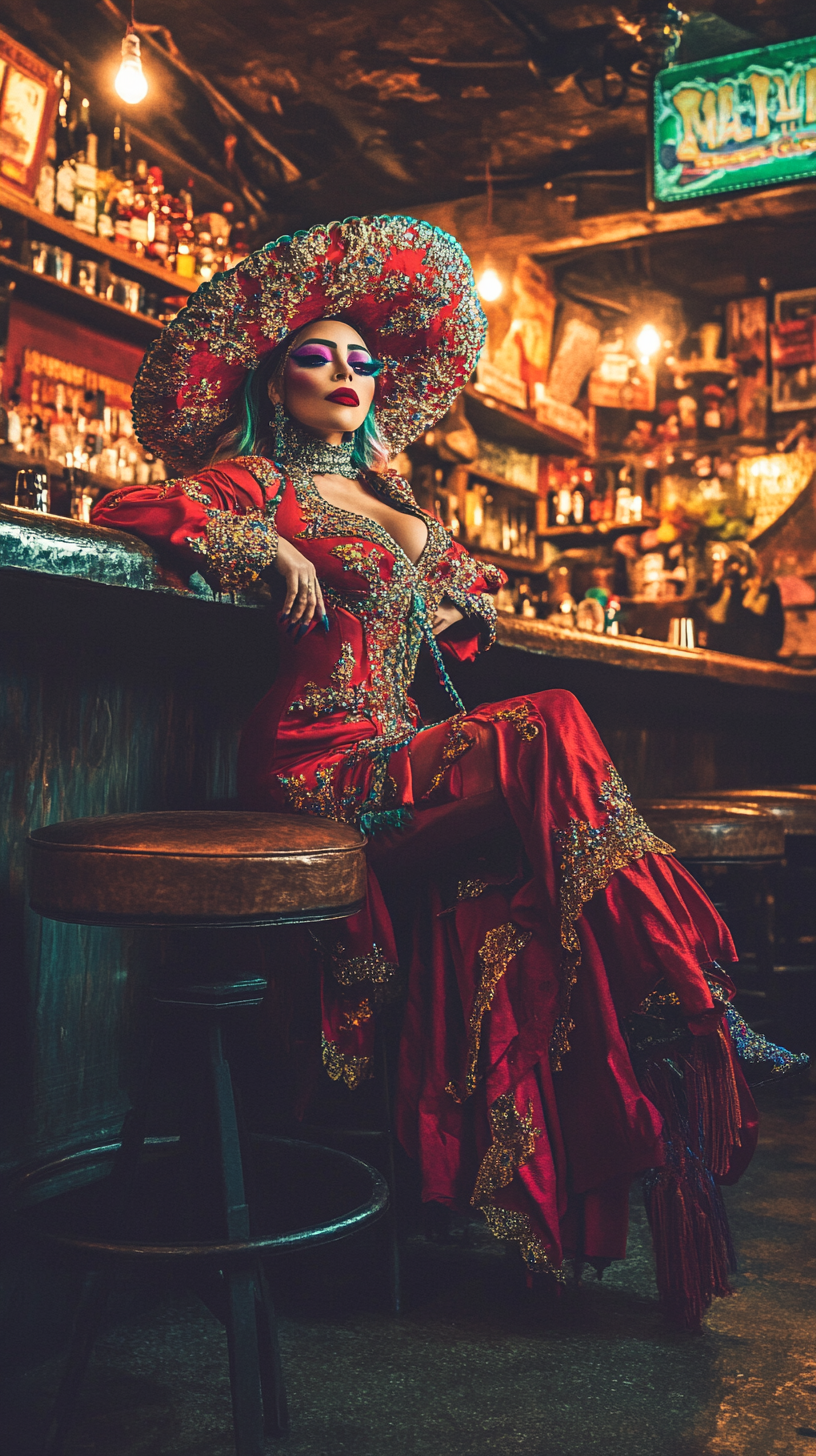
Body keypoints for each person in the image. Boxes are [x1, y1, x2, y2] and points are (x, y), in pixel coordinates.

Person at [92, 216, 807, 1329]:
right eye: (315, 356)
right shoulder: (256, 479)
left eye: (362, 360)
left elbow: (461, 613)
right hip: (315, 768)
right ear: (275, 384)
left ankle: (658, 1023)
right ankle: (694, 987)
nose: (343, 372)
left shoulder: (401, 504)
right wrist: (259, 542)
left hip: (399, 757)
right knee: (550, 725)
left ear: (382, 391)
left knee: (534, 856)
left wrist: (463, 601)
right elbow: (126, 504)